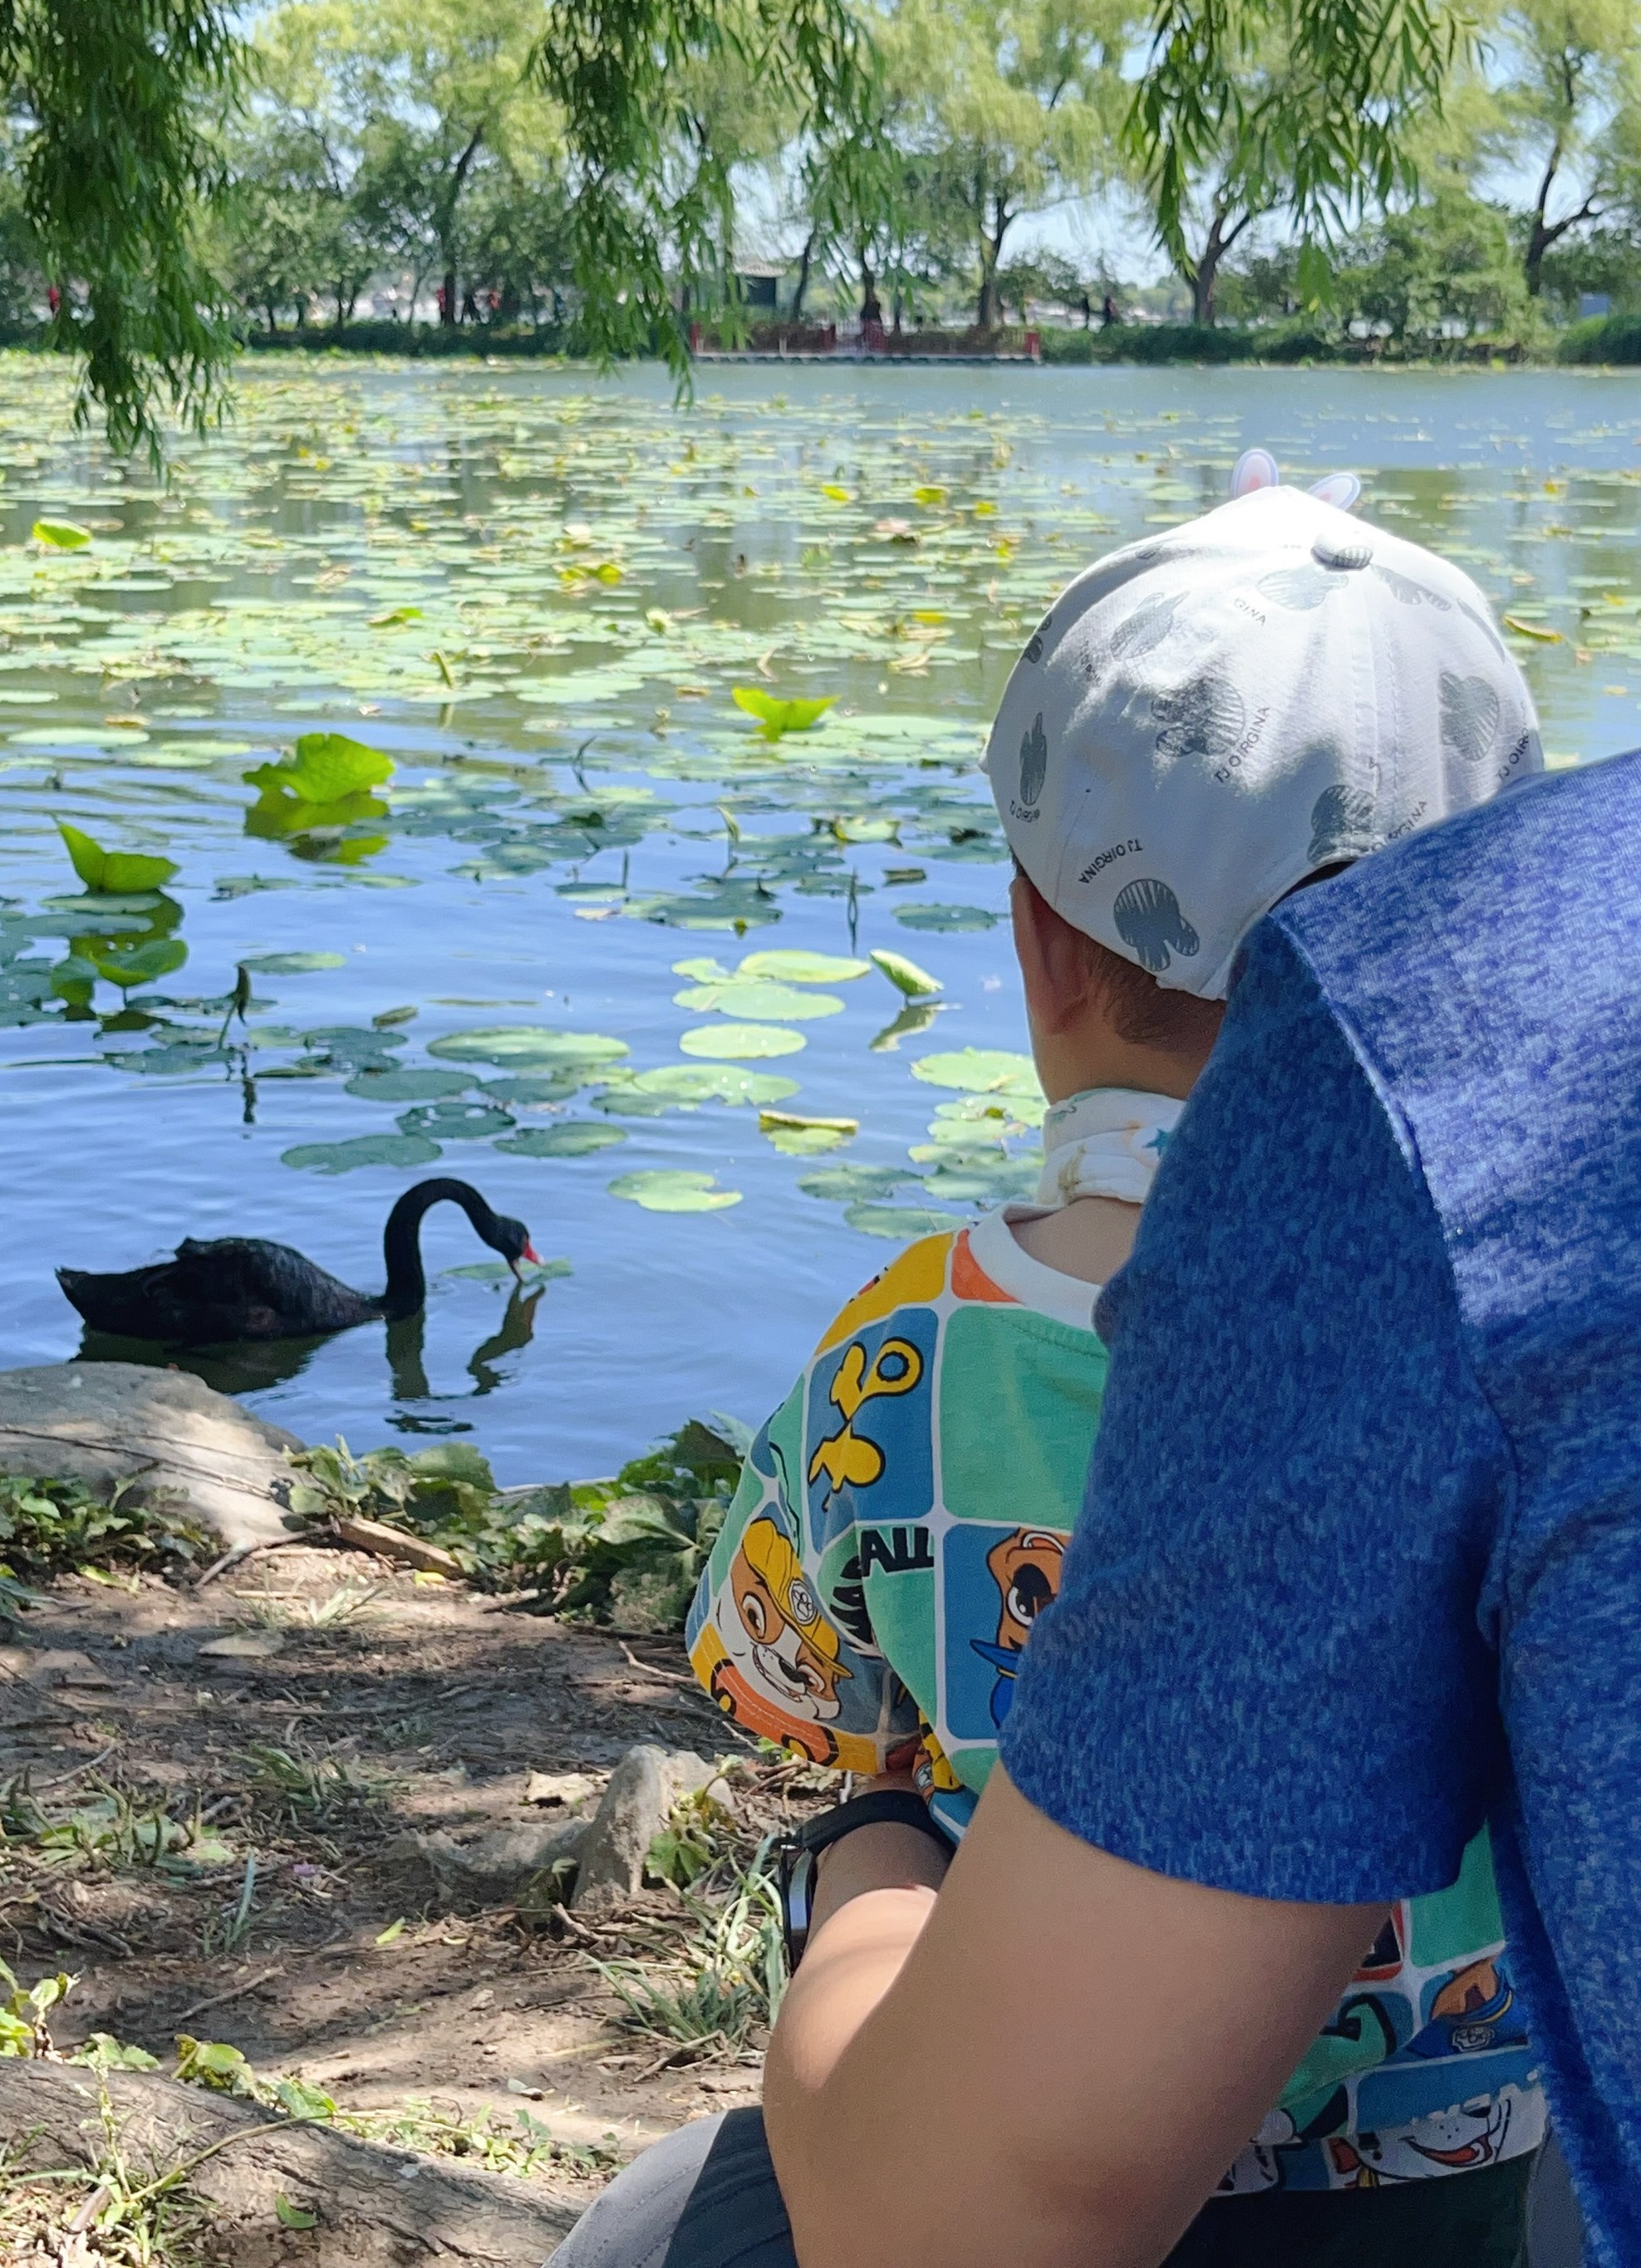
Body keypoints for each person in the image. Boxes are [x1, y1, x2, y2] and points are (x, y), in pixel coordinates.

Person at [551, 467, 1558, 2268]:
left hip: (996, 2143)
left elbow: (793, 1677)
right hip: (1478, 2172)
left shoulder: (918, 1343)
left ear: (1034, 939)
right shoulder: (1540, 1339)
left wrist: (868, 1848)